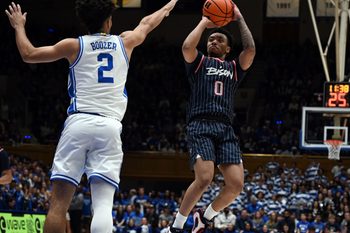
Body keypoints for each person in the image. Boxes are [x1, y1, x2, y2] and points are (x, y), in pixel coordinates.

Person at [5, 0, 178, 232]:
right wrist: (169, 5)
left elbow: (28, 54)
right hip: (109, 126)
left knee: (58, 205)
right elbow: (147, 22)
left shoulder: (74, 45)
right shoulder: (125, 42)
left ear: (85, 22)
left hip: (79, 123)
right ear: (109, 21)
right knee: (104, 206)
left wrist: (18, 26)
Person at [170, 3, 255, 233]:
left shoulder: (234, 68)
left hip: (225, 128)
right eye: (211, 39)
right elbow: (188, 46)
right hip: (201, 124)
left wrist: (239, 18)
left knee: (236, 185)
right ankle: (176, 227)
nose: (213, 42)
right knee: (205, 178)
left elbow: (250, 50)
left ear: (228, 49)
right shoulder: (199, 63)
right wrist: (205, 22)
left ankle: (204, 217)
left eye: (219, 40)